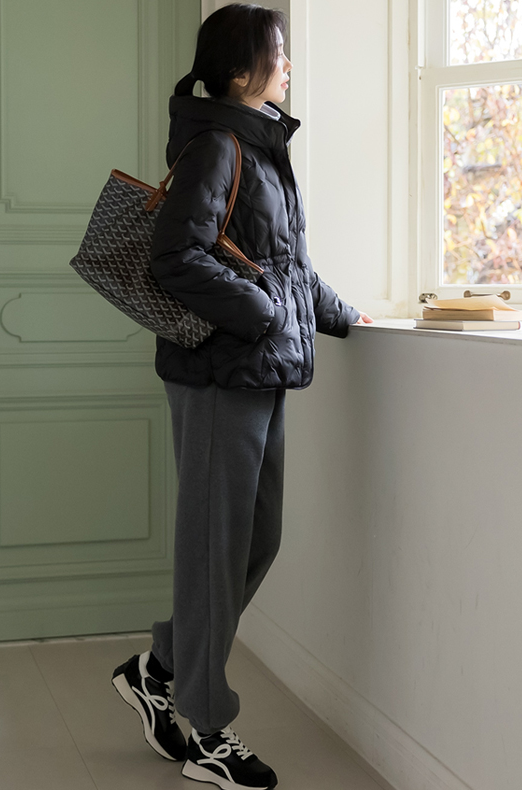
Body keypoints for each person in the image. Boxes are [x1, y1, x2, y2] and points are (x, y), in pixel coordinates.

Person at [111, 4, 373, 788]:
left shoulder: (259, 147)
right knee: (216, 548)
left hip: (260, 371)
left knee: (255, 540)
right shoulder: (217, 146)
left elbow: (285, 264)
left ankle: (159, 668)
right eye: (276, 53)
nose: (287, 64)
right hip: (219, 375)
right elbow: (175, 257)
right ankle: (208, 730)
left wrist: (343, 314)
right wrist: (261, 316)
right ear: (239, 69)